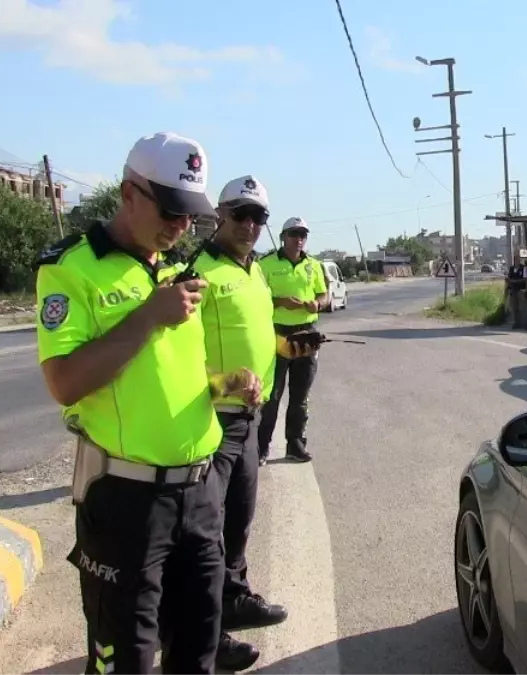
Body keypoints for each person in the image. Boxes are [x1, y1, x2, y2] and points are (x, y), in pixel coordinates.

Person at [35, 132, 260, 675]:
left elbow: (172, 381)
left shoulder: (172, 273)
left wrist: (228, 383)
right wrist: (148, 317)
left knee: (197, 652)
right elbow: (64, 382)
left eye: (190, 217)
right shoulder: (72, 268)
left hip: (199, 494)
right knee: (127, 660)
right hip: (126, 502)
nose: (180, 227)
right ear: (128, 192)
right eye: (169, 211)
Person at [192, 176, 312, 669]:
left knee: (240, 519)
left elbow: (259, 336)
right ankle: (207, 634)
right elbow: (173, 364)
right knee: (206, 534)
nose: (249, 225)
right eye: (240, 214)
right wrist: (224, 384)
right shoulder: (196, 273)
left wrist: (288, 348)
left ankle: (235, 598)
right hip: (210, 419)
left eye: (258, 217)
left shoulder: (256, 272)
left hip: (248, 418)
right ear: (220, 213)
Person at [257, 217, 329, 463]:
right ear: (283, 236)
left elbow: (324, 294)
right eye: (294, 234)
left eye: (303, 235)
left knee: (300, 396)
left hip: (306, 333)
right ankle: (261, 447)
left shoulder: (314, 265)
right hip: (276, 334)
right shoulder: (265, 264)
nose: (299, 239)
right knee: (272, 395)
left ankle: (295, 445)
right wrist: (280, 302)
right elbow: (255, 298)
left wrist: (317, 303)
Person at [506, 256, 527, 328]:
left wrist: (515, 281)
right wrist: (509, 281)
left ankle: (525, 324)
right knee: (514, 307)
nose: (517, 261)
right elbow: (509, 277)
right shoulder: (511, 268)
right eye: (515, 260)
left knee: (522, 307)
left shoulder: (524, 268)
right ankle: (516, 323)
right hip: (513, 290)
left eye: (518, 260)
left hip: (521, 289)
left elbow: (525, 279)